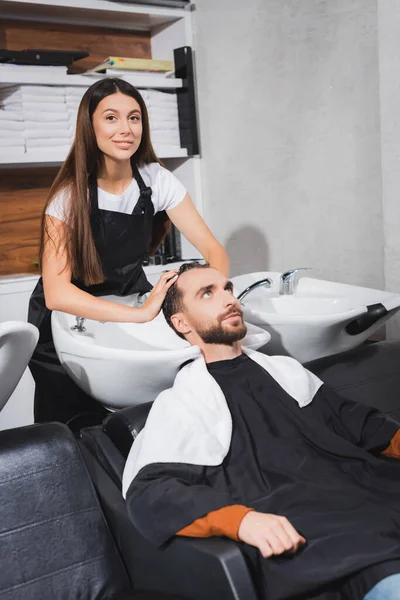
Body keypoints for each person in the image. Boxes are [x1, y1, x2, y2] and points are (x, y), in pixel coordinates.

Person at [123, 262, 400, 600]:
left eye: (227, 288)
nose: (228, 299)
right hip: (321, 536)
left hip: (367, 498)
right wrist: (242, 521)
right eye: (207, 294)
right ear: (182, 323)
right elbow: (151, 493)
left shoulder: (286, 371)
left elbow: (360, 424)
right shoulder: (183, 401)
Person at [28, 79, 228, 432]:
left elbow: (213, 251)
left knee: (141, 421)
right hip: (68, 321)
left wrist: (210, 300)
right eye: (111, 118)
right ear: (90, 127)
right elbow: (58, 294)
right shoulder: (69, 196)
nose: (126, 129)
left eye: (134, 118)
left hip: (130, 300)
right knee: (75, 433)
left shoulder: (156, 180)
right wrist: (140, 315)